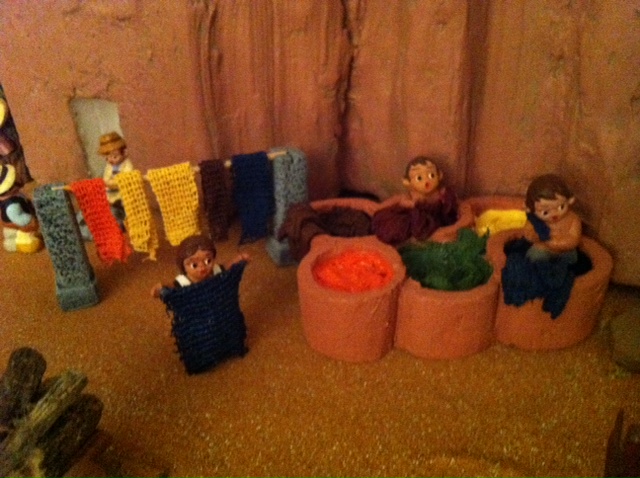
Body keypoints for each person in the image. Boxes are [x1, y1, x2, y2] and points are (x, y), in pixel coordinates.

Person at [372, 156, 458, 245]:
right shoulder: (408, 197)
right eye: (419, 178)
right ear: (407, 181)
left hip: (437, 223)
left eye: (431, 175)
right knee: (396, 226)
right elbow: (381, 207)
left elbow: (454, 208)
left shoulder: (442, 194)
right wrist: (407, 205)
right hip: (417, 224)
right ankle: (413, 240)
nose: (426, 181)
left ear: (439, 175)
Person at [151, 235, 249, 298]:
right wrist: (161, 289)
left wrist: (238, 259)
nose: (202, 267)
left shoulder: (215, 270)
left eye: (208, 261)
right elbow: (172, 287)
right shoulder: (184, 281)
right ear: (183, 267)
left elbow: (226, 266)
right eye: (194, 265)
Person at [522, 174, 582, 263]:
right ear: (531, 210)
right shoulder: (535, 220)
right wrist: (533, 236)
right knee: (534, 256)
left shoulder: (573, 219)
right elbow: (528, 232)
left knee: (572, 258)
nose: (554, 214)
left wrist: (556, 243)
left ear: (569, 201)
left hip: (565, 251)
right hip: (543, 248)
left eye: (561, 207)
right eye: (545, 212)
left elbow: (574, 239)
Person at [0, 164, 42, 253]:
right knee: (32, 244)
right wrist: (34, 219)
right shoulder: (12, 206)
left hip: (19, 216)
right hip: (21, 227)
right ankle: (15, 243)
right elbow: (24, 221)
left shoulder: (14, 195)